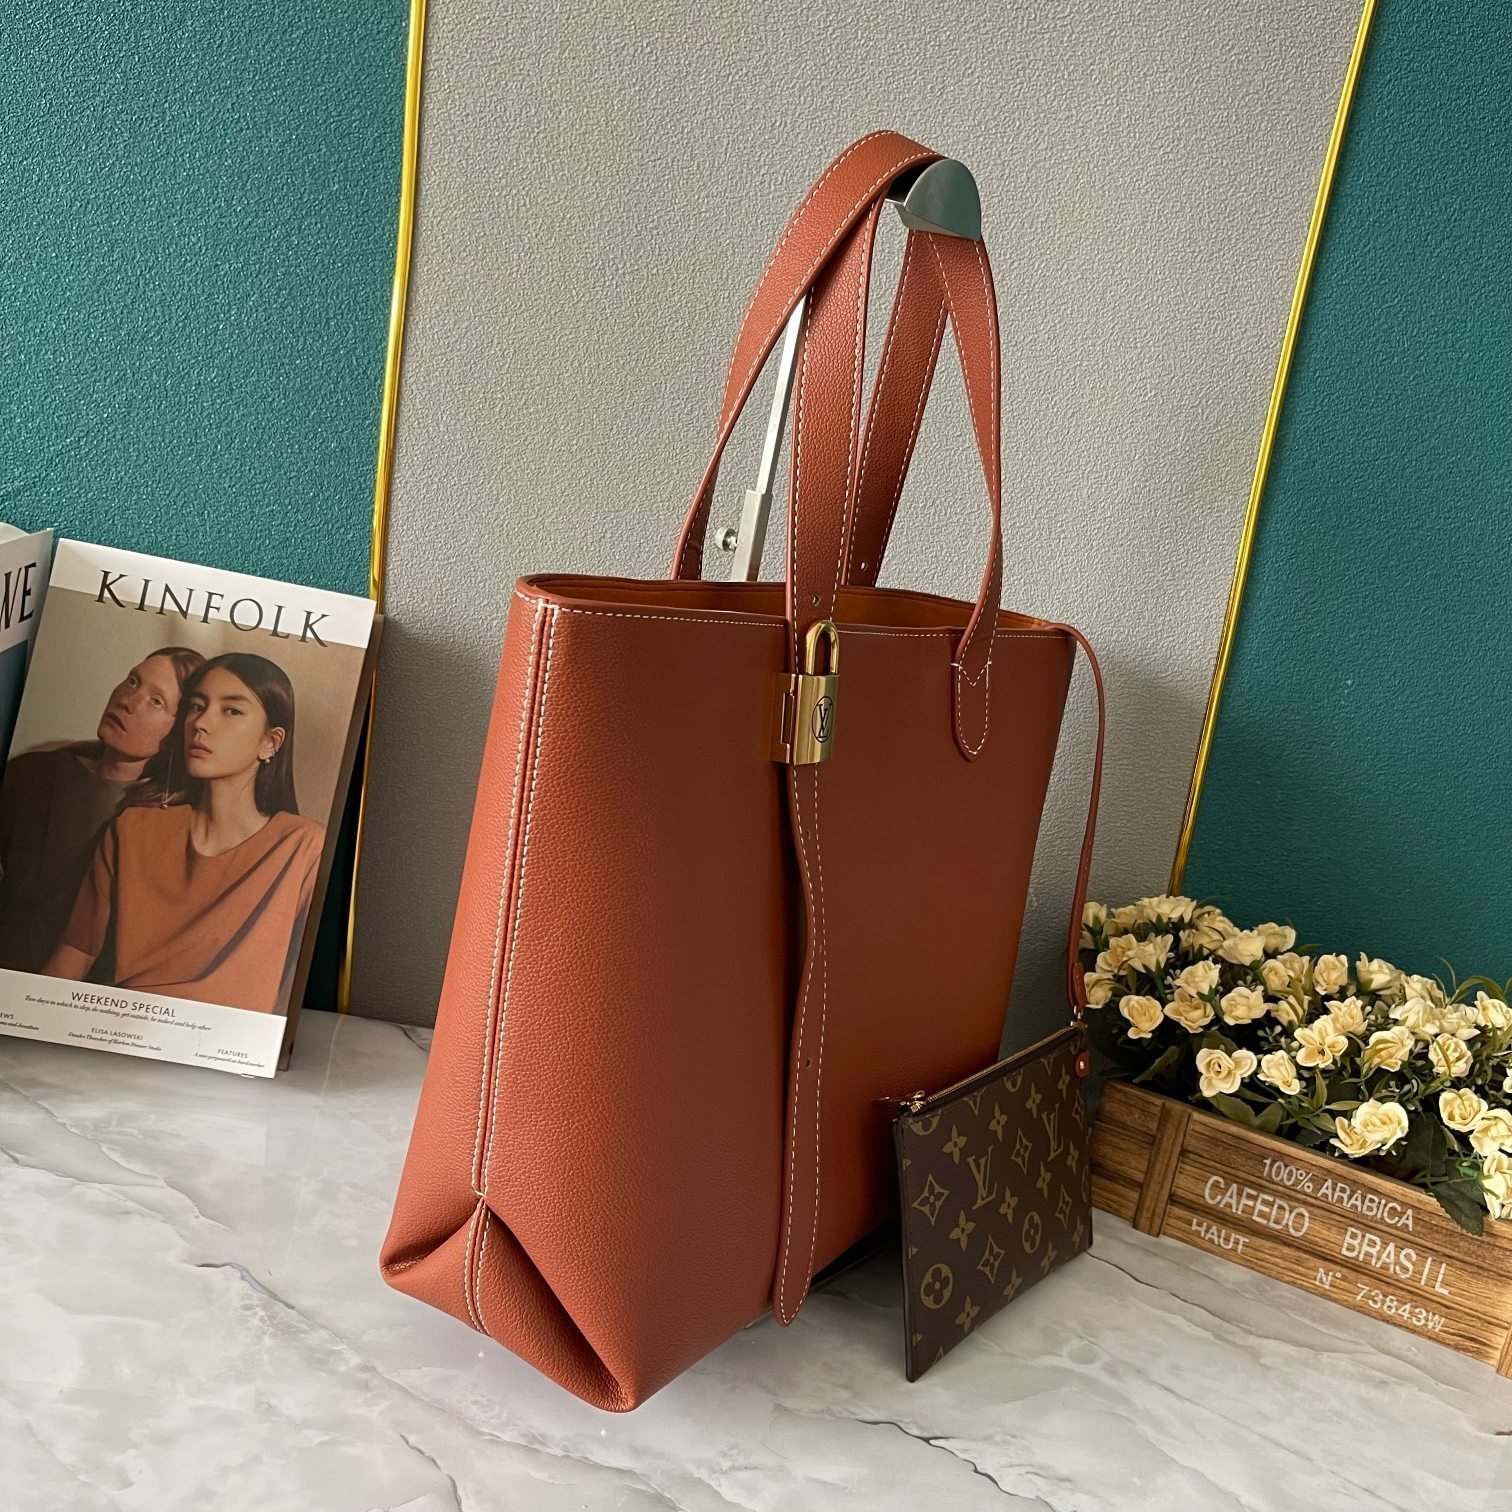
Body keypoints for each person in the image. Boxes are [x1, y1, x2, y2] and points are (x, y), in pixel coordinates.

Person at [46, 653, 325, 1015]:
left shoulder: (304, 848)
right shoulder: (132, 828)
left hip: (226, 1041)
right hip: (119, 1027)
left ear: (270, 742)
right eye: (196, 706)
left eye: (232, 710)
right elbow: (77, 951)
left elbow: (301, 986)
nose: (201, 723)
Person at [0, 646, 203, 972]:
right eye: (133, 681)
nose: (128, 700)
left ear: (175, 736)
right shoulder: (36, 771)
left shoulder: (167, 820)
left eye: (156, 701)